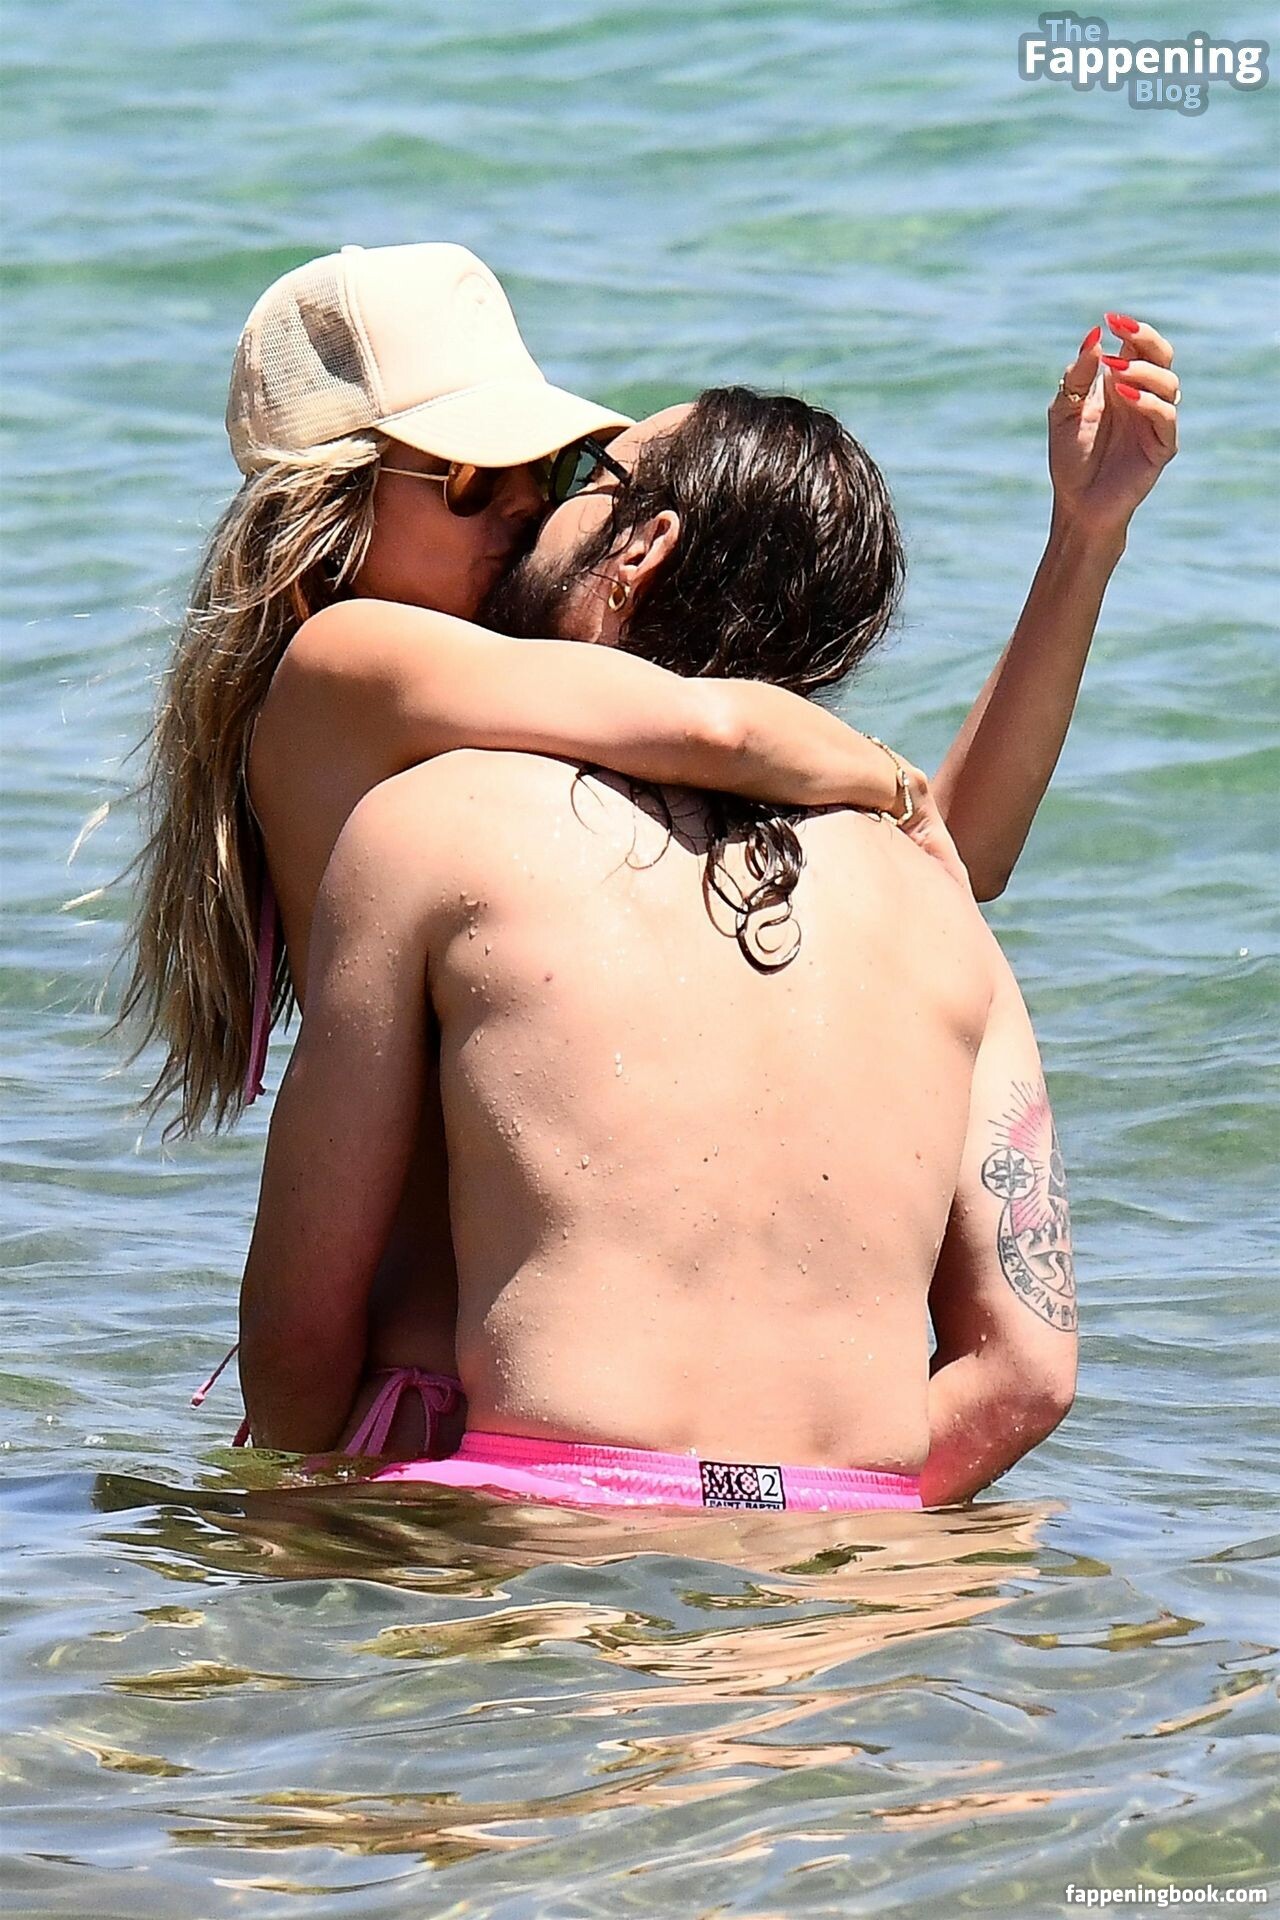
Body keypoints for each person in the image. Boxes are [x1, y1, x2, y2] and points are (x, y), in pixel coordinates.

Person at [121, 243, 1178, 1453]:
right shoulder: (345, 660)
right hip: (418, 1421)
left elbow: (945, 869)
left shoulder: (510, 730)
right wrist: (895, 787)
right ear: (329, 510)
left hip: (502, 1431)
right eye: (468, 478)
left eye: (545, 472)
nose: (521, 509)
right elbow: (727, 732)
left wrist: (1081, 542)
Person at [238, 391, 1081, 1513]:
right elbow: (1028, 1373)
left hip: (533, 1526)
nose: (537, 508)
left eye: (585, 477)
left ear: (640, 549)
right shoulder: (940, 909)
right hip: (851, 1543)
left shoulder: (426, 828)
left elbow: (296, 1329)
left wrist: (323, 1524)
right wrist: (783, 1508)